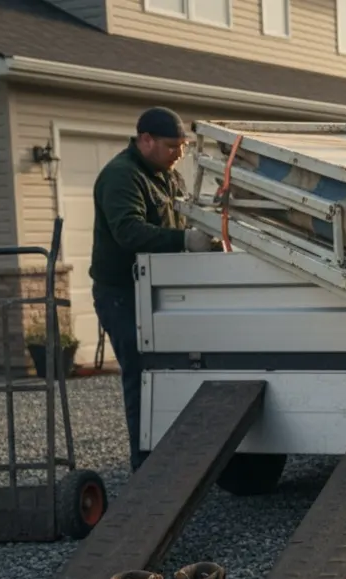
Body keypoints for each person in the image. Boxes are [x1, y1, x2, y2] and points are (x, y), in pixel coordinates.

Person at [90, 107, 219, 472]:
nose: (179, 153)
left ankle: (173, 458)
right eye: (171, 146)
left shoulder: (168, 176)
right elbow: (128, 231)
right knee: (143, 374)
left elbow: (185, 213)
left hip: (162, 290)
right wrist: (185, 240)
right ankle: (145, 467)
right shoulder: (121, 176)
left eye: (182, 146)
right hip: (123, 294)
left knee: (175, 372)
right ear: (145, 140)